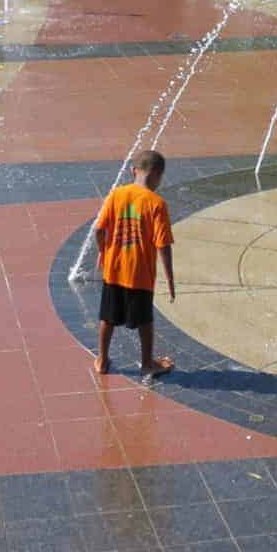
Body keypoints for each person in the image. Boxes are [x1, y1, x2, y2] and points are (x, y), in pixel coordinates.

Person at [94, 151, 175, 382]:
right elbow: (163, 245)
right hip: (140, 274)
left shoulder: (117, 194)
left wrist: (103, 252)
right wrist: (170, 279)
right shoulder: (157, 204)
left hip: (114, 269)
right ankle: (147, 364)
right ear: (158, 175)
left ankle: (102, 359)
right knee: (144, 320)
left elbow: (99, 230)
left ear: (133, 171)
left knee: (107, 317)